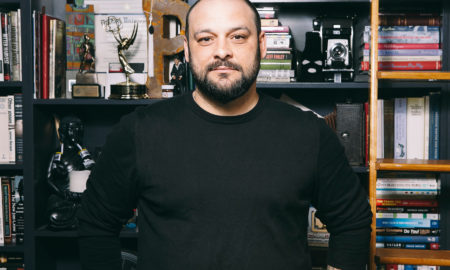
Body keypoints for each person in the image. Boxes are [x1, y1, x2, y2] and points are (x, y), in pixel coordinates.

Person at [78, 0, 372, 269]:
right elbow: (95, 225)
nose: (222, 51)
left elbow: (353, 222)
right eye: (206, 38)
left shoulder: (310, 133)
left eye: (238, 37)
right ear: (188, 48)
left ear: (262, 44)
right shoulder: (138, 131)